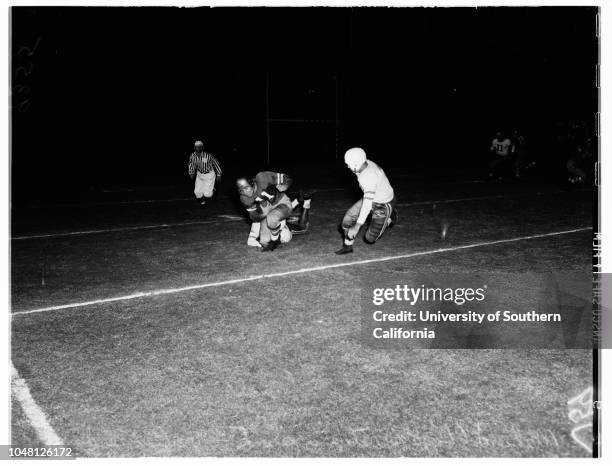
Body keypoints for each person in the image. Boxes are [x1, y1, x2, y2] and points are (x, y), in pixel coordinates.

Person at [335, 147, 397, 255]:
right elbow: (368, 198)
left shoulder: (368, 176)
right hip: (372, 197)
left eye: (349, 164)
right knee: (346, 221)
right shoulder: (364, 164)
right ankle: (348, 246)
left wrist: (358, 225)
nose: (347, 166)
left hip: (383, 203)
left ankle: (391, 217)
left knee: (370, 238)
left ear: (355, 164)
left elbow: (367, 203)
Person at [236, 171, 311, 251]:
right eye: (241, 190)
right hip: (270, 215)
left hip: (281, 203)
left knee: (280, 225)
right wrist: (262, 215)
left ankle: (306, 202)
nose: (245, 192)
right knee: (264, 241)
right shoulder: (245, 199)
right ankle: (299, 200)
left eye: (246, 188)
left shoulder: (262, 178)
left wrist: (285, 185)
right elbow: (254, 217)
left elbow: (287, 178)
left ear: (252, 183)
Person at [188, 140, 222, 206]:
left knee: (207, 194)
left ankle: (213, 190)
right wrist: (191, 172)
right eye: (196, 147)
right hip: (199, 174)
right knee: (197, 192)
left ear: (202, 147)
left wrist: (219, 174)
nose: (198, 148)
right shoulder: (192, 155)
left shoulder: (208, 155)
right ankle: (203, 202)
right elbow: (191, 164)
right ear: (194, 148)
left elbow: (216, 163)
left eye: (200, 147)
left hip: (209, 175)